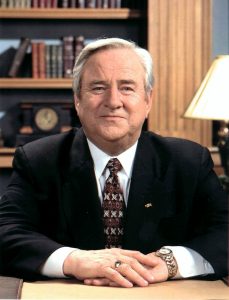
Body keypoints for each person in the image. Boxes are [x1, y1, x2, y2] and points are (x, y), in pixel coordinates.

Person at [0, 38, 228, 288]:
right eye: (98, 88)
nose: (113, 101)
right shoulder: (38, 160)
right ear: (78, 100)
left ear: (148, 100)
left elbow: (224, 232)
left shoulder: (189, 162)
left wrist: (172, 262)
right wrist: (73, 260)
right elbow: (6, 232)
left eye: (127, 88)